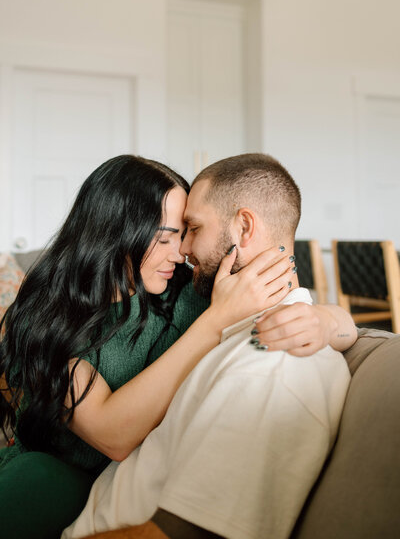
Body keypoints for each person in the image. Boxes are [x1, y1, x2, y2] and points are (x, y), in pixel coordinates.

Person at [0, 154, 327, 539]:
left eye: (186, 231)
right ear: (116, 231)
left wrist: (330, 322)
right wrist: (213, 322)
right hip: (54, 475)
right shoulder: (50, 317)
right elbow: (113, 434)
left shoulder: (189, 291)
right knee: (38, 480)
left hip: (127, 487)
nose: (182, 251)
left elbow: (279, 299)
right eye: (166, 237)